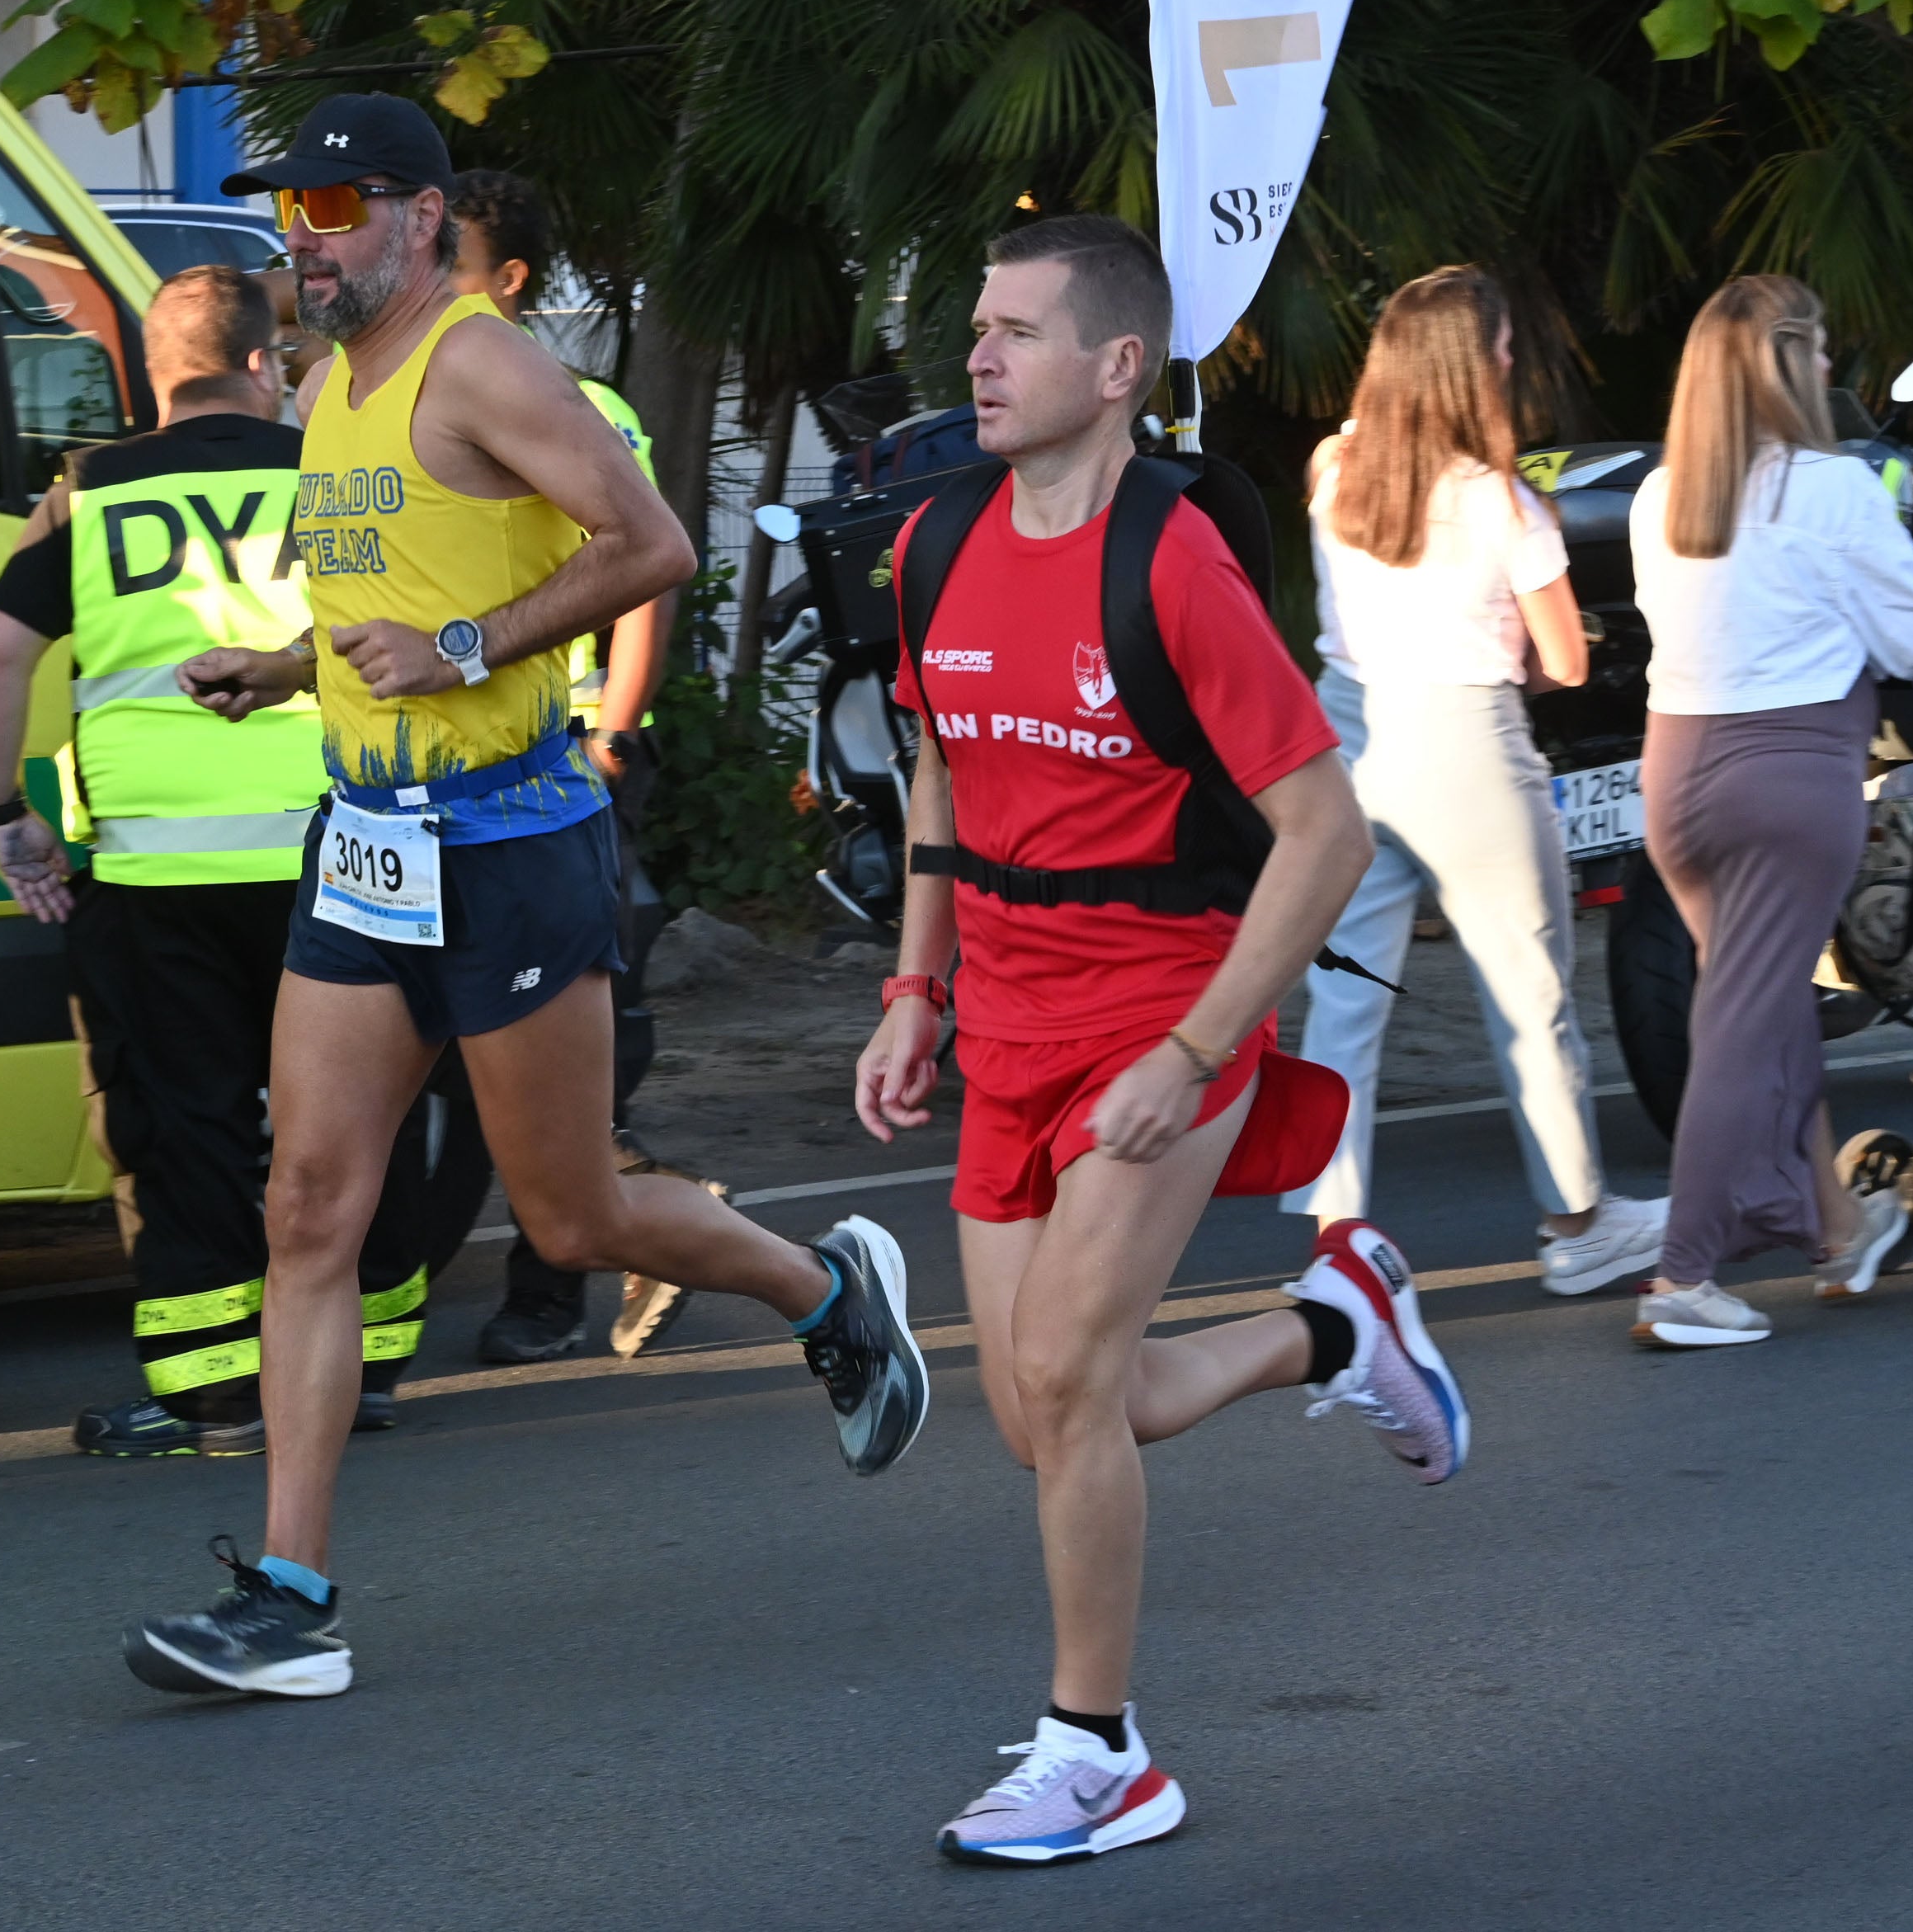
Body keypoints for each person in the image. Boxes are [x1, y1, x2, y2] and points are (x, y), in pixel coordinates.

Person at [121, 92, 929, 1699]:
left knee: (572, 1214)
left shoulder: (478, 358)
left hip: (507, 840)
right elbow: (399, 602)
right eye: (292, 214)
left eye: (338, 204)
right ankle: (290, 1595)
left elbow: (655, 544)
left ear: (423, 218)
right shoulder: (333, 388)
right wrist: (283, 668)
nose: (310, 238)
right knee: (309, 1208)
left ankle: (827, 1291)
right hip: (365, 842)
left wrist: (471, 654)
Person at [855, 214, 1469, 1866]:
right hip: (1007, 1010)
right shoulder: (935, 546)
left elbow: (1323, 834)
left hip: (1160, 1006)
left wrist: (1198, 1053)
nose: (978, 357)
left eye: (1017, 332)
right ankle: (1336, 1325)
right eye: (975, 328)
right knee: (1050, 1408)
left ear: (1119, 368)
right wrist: (916, 990)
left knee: (1062, 1379)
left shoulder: (1173, 562)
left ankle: (1102, 1748)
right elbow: (946, 766)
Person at [0, 263, 491, 1455]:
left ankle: (211, 1391)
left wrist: (8, 816)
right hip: (346, 847)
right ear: (265, 363)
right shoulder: (335, 477)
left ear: (155, 377)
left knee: (186, 1119)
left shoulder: (88, 490)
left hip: (160, 874)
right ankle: (373, 1367)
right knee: (369, 1114)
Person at [1289, 269, 1670, 1294]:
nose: (1512, 362)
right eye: (1501, 347)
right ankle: (1578, 1224)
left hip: (1348, 742)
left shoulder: (1333, 472)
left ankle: (1336, 1244)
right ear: (1469, 367)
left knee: (1345, 999)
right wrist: (1521, 652)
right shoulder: (1506, 504)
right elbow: (1569, 664)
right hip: (1467, 744)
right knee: (1528, 997)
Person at [1625, 275, 1913, 1349]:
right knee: (1741, 1024)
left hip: (1675, 774)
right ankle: (1680, 1278)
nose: (1829, 372)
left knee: (1765, 1008)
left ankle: (1832, 1224)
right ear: (1785, 367)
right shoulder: (1825, 493)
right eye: (1817, 351)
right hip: (1787, 777)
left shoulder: (1660, 497)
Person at [443, 166, 709, 1364]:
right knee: (483, 1045)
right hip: (463, 763)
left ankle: (566, 1283)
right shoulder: (410, 397)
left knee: (545, 1038)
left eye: (453, 261)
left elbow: (643, 568)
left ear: (508, 282)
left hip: (563, 761)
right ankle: (613, 1245)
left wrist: (610, 736)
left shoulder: (574, 404)